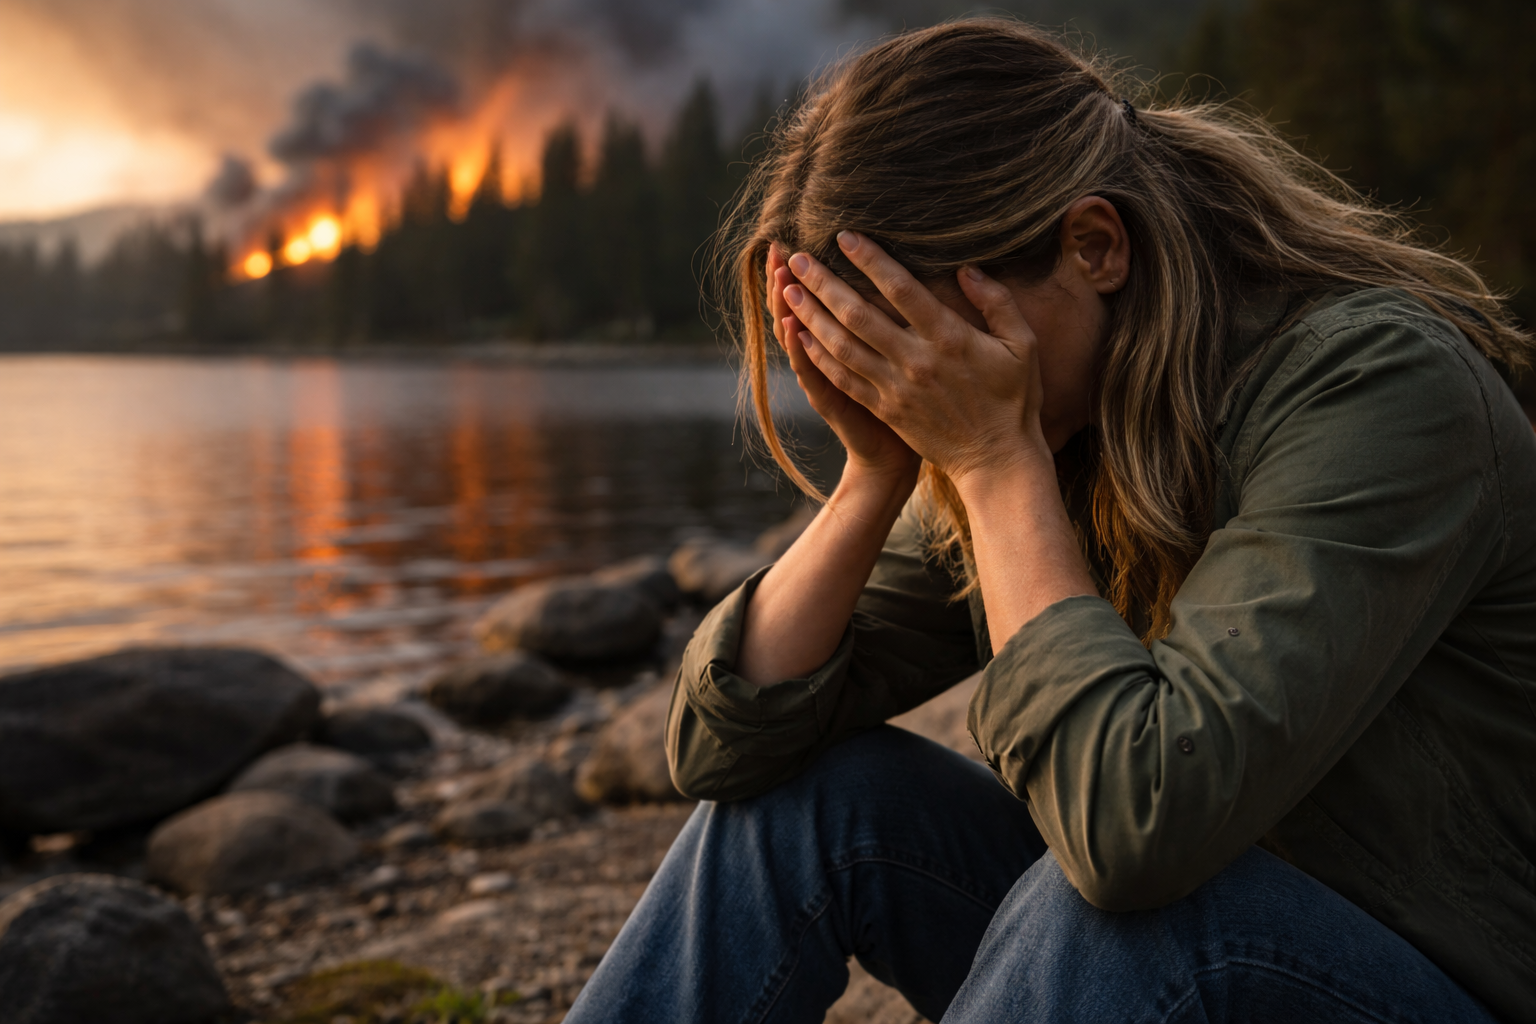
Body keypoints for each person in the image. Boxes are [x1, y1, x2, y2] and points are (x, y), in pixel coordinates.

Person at [565, 18, 1536, 1024]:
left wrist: (992, 462)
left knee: (1119, 910)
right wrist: (874, 471)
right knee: (810, 806)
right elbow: (727, 747)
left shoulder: (1375, 390)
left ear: (1095, 246)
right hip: (1201, 963)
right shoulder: (1064, 421)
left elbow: (1135, 827)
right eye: (887, 359)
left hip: (1436, 983)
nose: (921, 386)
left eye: (940, 342)